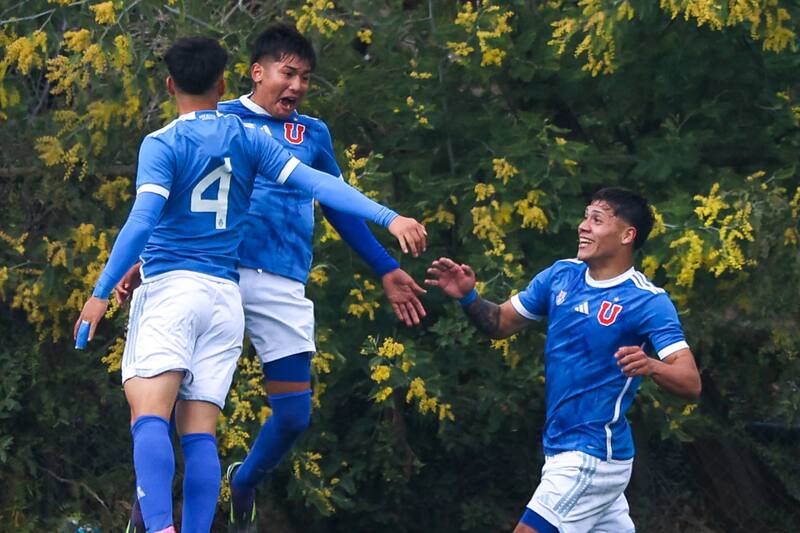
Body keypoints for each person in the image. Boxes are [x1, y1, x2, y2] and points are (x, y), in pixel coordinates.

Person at [74, 36, 426, 533]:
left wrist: (102, 289)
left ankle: (190, 507)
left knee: (162, 411)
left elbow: (147, 216)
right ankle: (157, 515)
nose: (297, 85)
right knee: (196, 426)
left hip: (221, 284)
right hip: (225, 283)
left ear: (171, 85)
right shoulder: (241, 131)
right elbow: (313, 186)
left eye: (305, 77)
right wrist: (390, 216)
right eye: (289, 73)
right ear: (238, 79)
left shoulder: (176, 139)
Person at [425, 187, 701, 533]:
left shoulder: (646, 301)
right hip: (563, 448)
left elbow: (690, 382)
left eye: (596, 220)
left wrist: (652, 365)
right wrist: (468, 297)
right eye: (585, 217)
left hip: (591, 452)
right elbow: (499, 323)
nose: (583, 226)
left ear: (627, 235)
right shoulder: (560, 276)